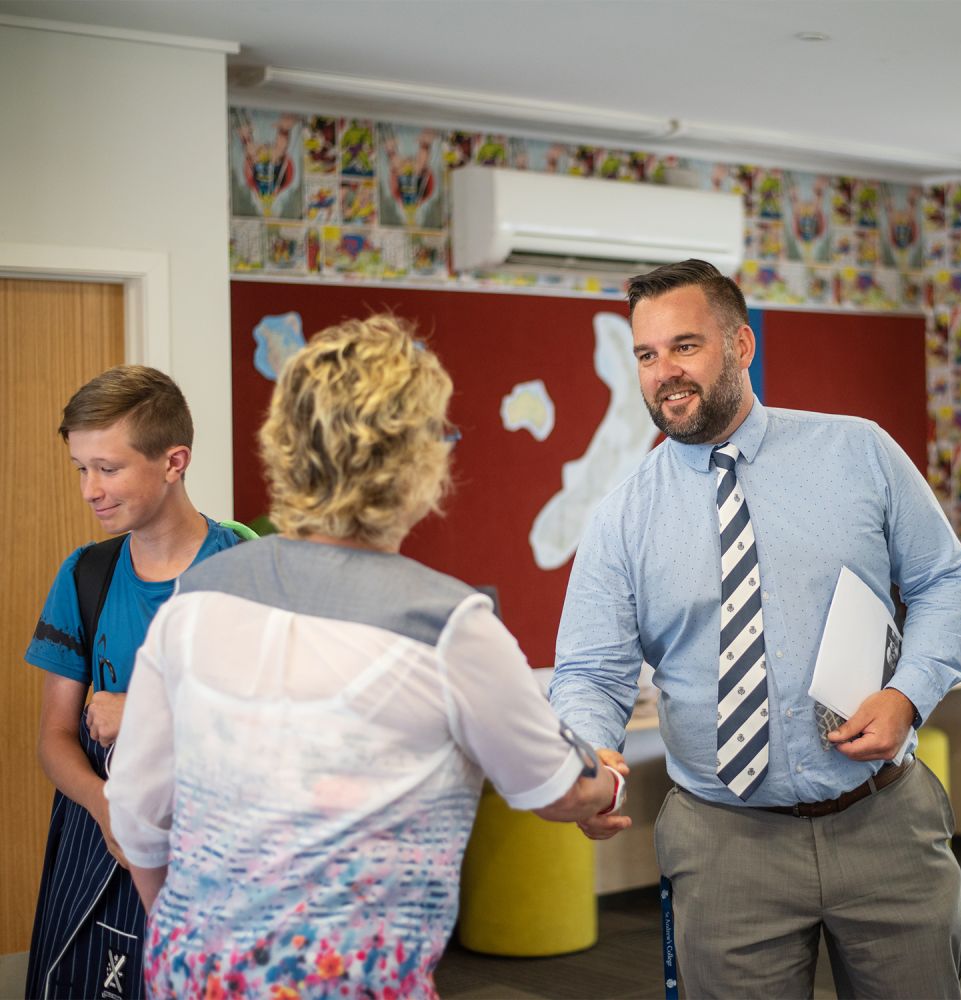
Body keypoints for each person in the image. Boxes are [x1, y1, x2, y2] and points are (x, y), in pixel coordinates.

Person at [104, 314, 624, 999]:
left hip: (191, 972)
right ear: (416, 461)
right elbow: (557, 787)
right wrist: (607, 783)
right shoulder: (449, 626)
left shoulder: (193, 601)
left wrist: (205, 944)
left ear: (286, 445)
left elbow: (138, 818)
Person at [549, 259, 961, 999]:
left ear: (741, 347)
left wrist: (907, 695)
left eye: (685, 346)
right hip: (724, 845)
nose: (664, 373)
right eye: (646, 355)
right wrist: (592, 763)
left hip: (883, 821)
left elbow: (946, 582)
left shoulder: (859, 452)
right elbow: (591, 671)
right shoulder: (622, 516)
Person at [24, 366, 248, 1000]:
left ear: (174, 461)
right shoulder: (84, 574)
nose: (90, 489)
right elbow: (55, 738)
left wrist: (147, 713)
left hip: (208, 853)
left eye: (109, 468)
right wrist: (107, 807)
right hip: (96, 844)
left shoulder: (246, 574)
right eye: (81, 468)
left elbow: (275, 735)